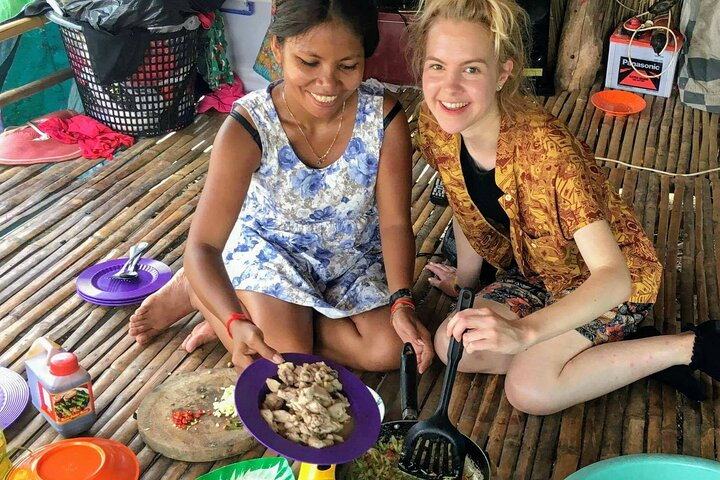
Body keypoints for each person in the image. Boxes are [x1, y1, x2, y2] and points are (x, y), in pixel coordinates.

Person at [411, 0, 719, 415]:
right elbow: (464, 202)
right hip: (534, 271)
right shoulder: (437, 124)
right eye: (436, 66)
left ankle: (688, 347)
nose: (448, 89)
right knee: (454, 345)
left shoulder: (548, 154)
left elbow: (613, 278)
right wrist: (469, 289)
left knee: (530, 390)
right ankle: (602, 358)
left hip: (607, 283)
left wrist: (524, 334)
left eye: (471, 69)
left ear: (503, 72)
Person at [129, 0, 433, 373]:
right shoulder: (250, 126)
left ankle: (263, 312)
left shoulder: (383, 117)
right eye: (309, 62)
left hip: (349, 259)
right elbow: (203, 246)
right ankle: (203, 292)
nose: (328, 83)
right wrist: (234, 322)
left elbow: (395, 225)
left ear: (365, 59)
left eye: (348, 66)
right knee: (284, 360)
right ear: (277, 48)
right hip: (270, 253)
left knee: (388, 350)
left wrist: (402, 303)